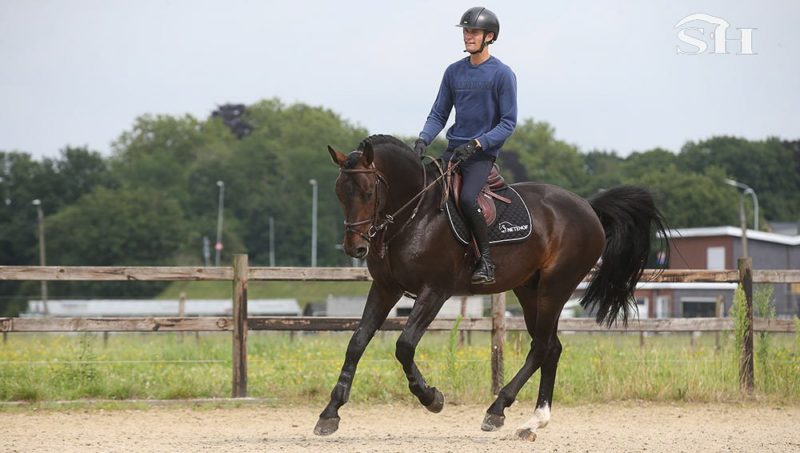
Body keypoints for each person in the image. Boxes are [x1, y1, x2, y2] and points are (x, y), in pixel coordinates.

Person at [414, 6, 517, 285]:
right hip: (453, 150)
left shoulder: (502, 74)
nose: (468, 36)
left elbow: (508, 123)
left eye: (474, 32)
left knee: (468, 199)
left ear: (489, 37)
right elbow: (438, 114)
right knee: (425, 193)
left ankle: (486, 261)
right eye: (466, 31)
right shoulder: (453, 72)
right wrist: (423, 139)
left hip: (480, 155)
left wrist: (478, 143)